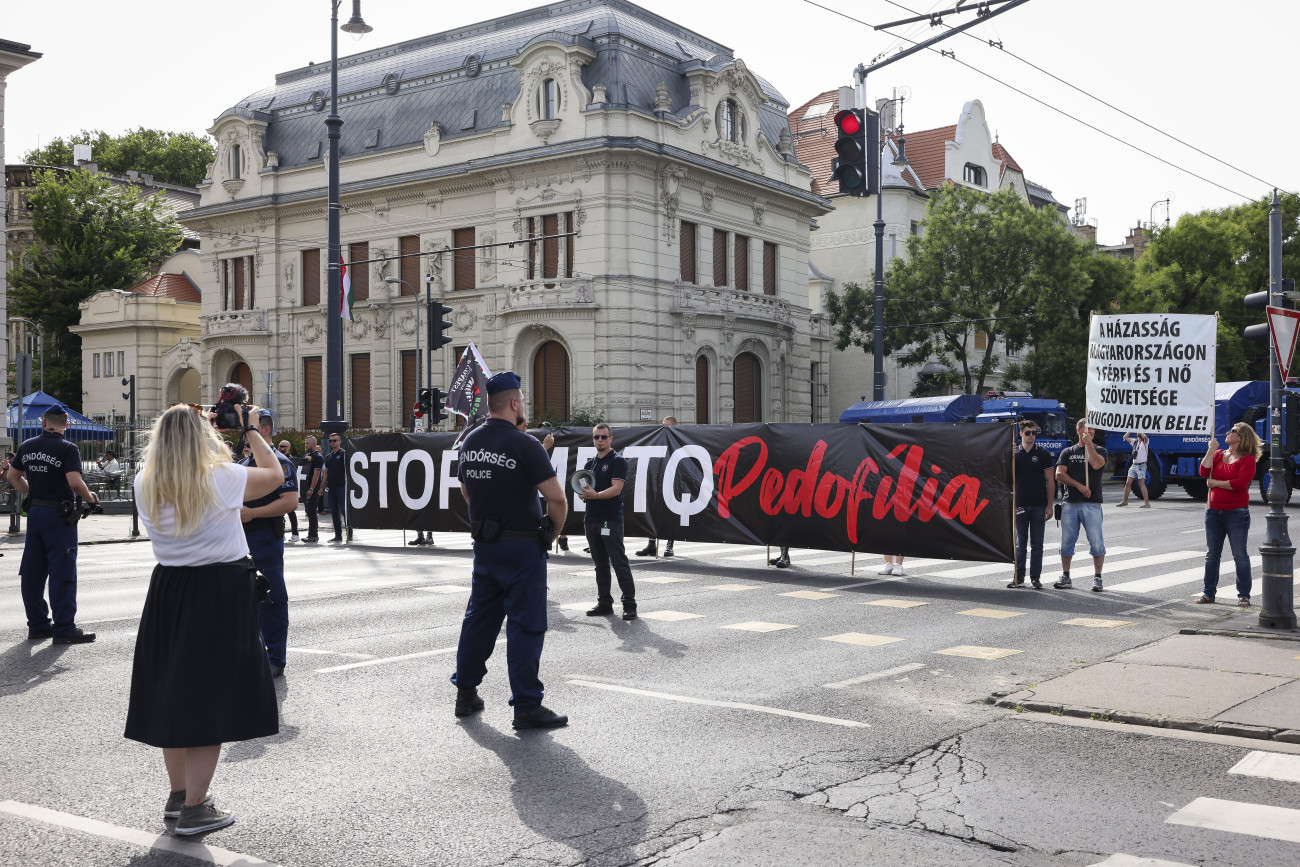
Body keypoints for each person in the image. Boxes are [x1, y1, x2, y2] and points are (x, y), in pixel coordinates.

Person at [124, 403, 282, 836]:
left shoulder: (144, 482)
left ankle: (179, 798)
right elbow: (275, 476)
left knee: (173, 693)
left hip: (168, 590)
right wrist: (250, 428)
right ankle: (196, 808)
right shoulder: (219, 477)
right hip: (218, 590)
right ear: (201, 438)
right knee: (209, 701)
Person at [452, 371, 569, 729]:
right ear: (515, 403)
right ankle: (526, 706)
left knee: (479, 622)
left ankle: (466, 694)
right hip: (521, 550)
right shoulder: (525, 444)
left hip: (485, 547)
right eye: (523, 402)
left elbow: (465, 490)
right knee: (526, 626)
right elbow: (557, 498)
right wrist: (550, 534)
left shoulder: (470, 441)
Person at [6, 406, 101, 644]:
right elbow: (75, 482)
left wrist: (31, 494)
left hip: (36, 512)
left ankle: (37, 625)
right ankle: (64, 628)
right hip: (59, 515)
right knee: (62, 570)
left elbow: (12, 477)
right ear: (66, 425)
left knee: (32, 571)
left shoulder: (27, 446)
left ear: (43, 422)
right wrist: (92, 500)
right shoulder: (68, 448)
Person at [241, 412, 300, 677]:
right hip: (240, 538)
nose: (246, 435)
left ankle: (275, 657)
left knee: (272, 598)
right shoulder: (243, 463)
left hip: (264, 534)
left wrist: (253, 513)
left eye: (251, 429)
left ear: (264, 431)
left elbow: (289, 502)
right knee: (242, 598)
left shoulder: (280, 462)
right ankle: (249, 653)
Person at [1197, 422, 1260, 607]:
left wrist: (1215, 483)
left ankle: (1244, 596)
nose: (1228, 432)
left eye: (1232, 431)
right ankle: (1208, 594)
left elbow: (1240, 484)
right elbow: (1203, 472)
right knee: (1212, 554)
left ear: (1241, 437)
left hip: (1236, 513)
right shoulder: (1218, 454)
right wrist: (1211, 450)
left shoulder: (1247, 460)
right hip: (1213, 511)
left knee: (1239, 554)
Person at [581, 423, 637, 621]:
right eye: (596, 437)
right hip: (591, 520)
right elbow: (584, 489)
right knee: (600, 565)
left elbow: (616, 489)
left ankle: (629, 604)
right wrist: (584, 495)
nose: (600, 440)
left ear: (611, 438)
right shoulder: (589, 464)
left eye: (604, 437)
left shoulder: (618, 461)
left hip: (610, 520)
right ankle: (604, 602)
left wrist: (594, 496)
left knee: (619, 562)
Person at [1054, 418, 1108, 592]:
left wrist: (1089, 445)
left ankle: (1097, 577)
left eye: (1093, 429)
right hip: (1070, 503)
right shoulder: (1067, 452)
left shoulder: (1100, 450)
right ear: (1079, 431)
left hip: (1092, 504)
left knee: (1096, 542)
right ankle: (1065, 575)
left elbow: (1096, 464)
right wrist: (1079, 486)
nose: (1091, 432)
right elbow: (1059, 475)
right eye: (1088, 429)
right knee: (1067, 541)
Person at [1009, 420, 1056, 589]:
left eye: (1034, 433)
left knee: (1037, 545)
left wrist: (1050, 505)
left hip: (1038, 505)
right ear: (1020, 433)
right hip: (1019, 504)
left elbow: (1050, 480)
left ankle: (1035, 577)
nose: (1031, 436)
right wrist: (1009, 457)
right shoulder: (1013, 453)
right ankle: (1018, 577)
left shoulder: (1043, 453)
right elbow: (1004, 475)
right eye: (1028, 432)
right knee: (1020, 544)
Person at [636, 415, 679, 558]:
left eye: (667, 425)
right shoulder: (658, 438)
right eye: (663, 424)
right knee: (653, 512)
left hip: (672, 481)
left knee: (670, 514)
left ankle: (669, 546)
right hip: (657, 480)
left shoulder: (678, 440)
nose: (664, 427)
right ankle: (651, 545)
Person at [324, 432, 349, 542]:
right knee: (334, 512)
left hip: (342, 487)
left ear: (340, 441)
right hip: (331, 487)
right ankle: (338, 535)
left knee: (344, 510)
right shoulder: (328, 456)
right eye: (330, 441)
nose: (332, 443)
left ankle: (349, 533)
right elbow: (326, 472)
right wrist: (321, 487)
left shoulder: (344, 454)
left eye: (334, 440)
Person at [1117, 432, 1152, 508]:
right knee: (1128, 483)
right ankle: (1125, 501)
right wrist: (1130, 430)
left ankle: (1147, 503)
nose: (1137, 433)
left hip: (1141, 465)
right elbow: (1125, 437)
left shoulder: (1145, 441)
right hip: (1134, 465)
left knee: (1141, 484)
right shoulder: (1135, 441)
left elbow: (1145, 437)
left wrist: (1140, 431)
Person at [277, 441, 300, 541]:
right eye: (279, 446)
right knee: (280, 514)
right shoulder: (277, 458)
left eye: (282, 446)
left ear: (288, 448)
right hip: (279, 488)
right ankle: (282, 533)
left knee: (291, 513)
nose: (280, 448)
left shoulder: (288, 459)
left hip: (288, 489)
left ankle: (295, 534)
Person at [302, 436, 324, 543]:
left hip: (313, 488)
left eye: (308, 443)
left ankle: (313, 535)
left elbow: (316, 474)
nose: (306, 445)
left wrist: (311, 489)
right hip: (306, 487)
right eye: (305, 443)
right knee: (309, 511)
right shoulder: (307, 456)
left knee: (312, 511)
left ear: (314, 444)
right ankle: (311, 534)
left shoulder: (318, 457)